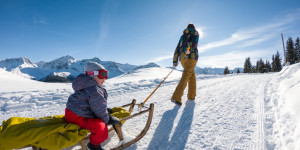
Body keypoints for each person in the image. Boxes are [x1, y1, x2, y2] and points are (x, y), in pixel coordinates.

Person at [65, 61, 121, 150]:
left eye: (106, 74)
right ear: (92, 74)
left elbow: (91, 103)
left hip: (71, 113)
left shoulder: (85, 85)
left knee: (100, 112)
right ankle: (94, 145)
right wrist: (108, 119)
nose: (105, 78)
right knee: (101, 127)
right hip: (78, 116)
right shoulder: (95, 90)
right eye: (102, 74)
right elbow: (98, 108)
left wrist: (103, 110)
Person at [171, 23, 199, 105]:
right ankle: (176, 97)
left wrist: (175, 61)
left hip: (182, 59)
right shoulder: (195, 33)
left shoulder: (182, 36)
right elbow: (195, 44)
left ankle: (191, 96)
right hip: (191, 57)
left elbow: (177, 49)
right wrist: (189, 49)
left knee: (191, 76)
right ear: (193, 27)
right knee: (186, 75)